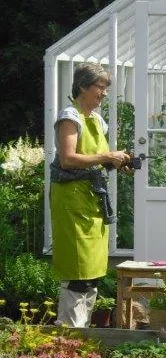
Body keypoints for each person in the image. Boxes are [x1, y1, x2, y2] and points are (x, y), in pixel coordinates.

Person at [50, 62, 131, 327]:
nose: (104, 93)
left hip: (92, 201)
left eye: (106, 88)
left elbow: (94, 159)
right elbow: (68, 159)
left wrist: (117, 162)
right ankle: (69, 334)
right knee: (78, 270)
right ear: (83, 87)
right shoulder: (69, 117)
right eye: (100, 87)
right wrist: (107, 156)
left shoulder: (97, 120)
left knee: (92, 272)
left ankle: (81, 331)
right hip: (72, 201)